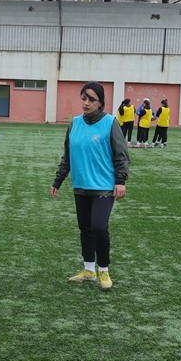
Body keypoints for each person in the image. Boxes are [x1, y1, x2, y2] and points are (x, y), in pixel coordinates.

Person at [51, 81, 129, 292]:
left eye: (91, 99)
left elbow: (121, 154)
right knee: (85, 228)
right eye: (84, 98)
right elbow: (67, 156)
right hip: (81, 186)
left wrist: (120, 181)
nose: (86, 103)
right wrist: (58, 180)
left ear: (100, 102)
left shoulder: (110, 123)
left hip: (104, 187)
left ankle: (103, 269)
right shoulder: (74, 124)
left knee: (98, 227)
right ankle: (88, 269)